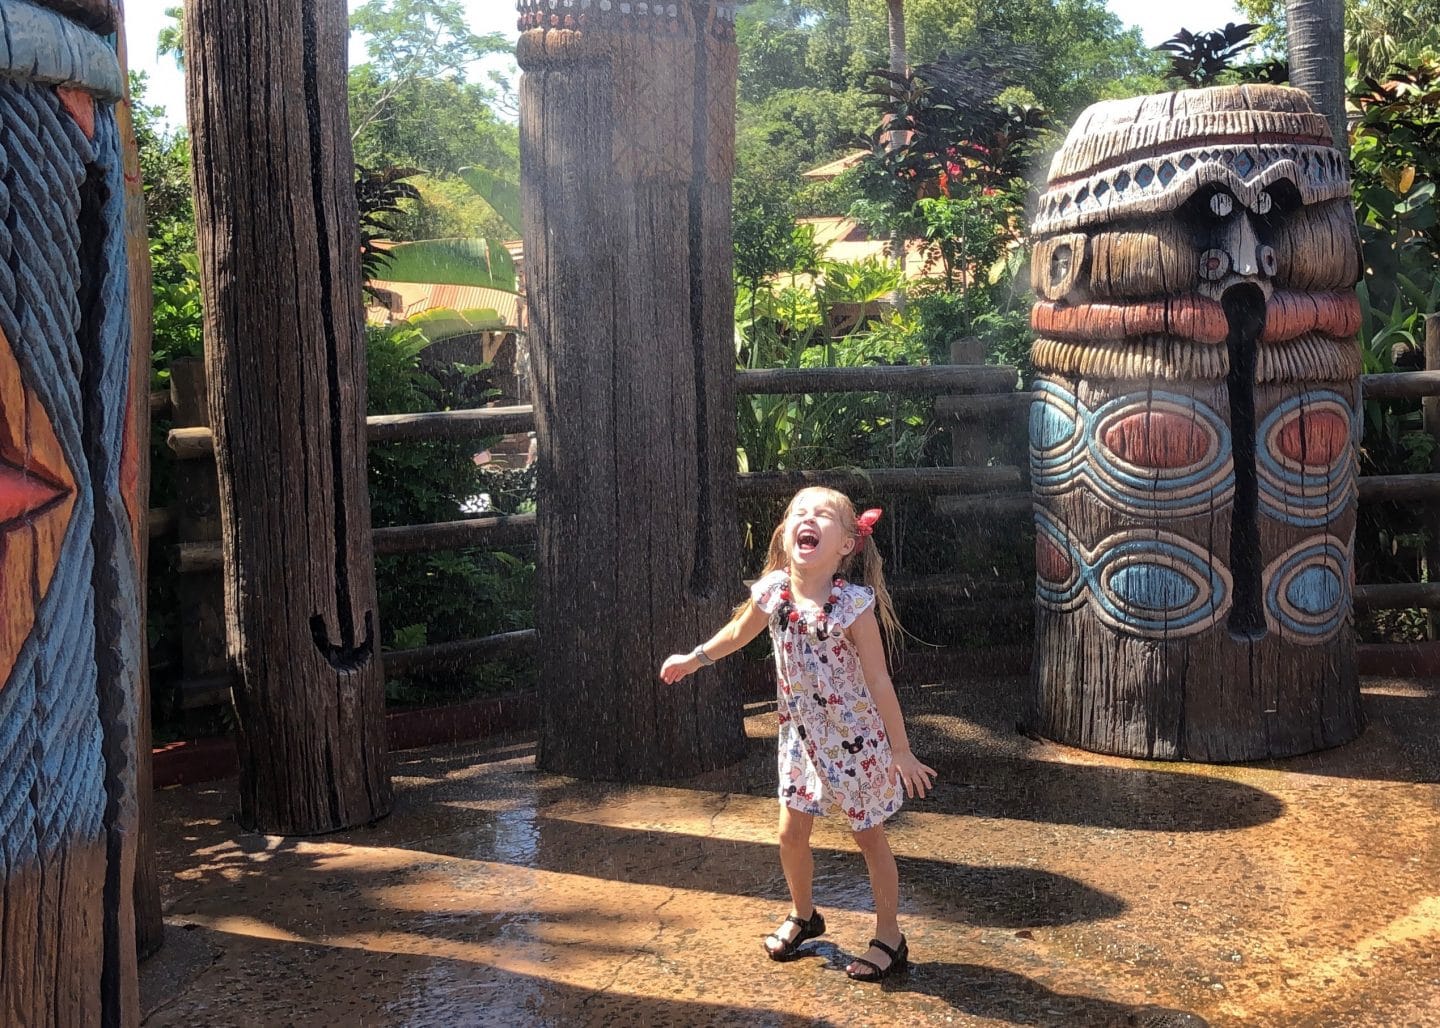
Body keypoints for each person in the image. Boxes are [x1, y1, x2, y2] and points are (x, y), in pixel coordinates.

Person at [659, 487, 937, 982]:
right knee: (790, 834)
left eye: (823, 516)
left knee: (868, 837)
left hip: (855, 742)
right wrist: (694, 657)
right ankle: (805, 914)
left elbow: (877, 679)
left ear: (846, 545)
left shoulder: (852, 606)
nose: (807, 519)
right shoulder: (772, 592)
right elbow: (738, 633)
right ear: (786, 534)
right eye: (798, 514)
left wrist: (901, 750)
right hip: (801, 740)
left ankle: (891, 936)